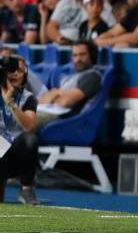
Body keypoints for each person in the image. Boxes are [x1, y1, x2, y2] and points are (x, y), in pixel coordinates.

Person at [0, 55, 39, 205]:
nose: (16, 74)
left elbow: (29, 126)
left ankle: (26, 189)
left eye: (20, 71)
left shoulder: (28, 98)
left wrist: (10, 103)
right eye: (12, 70)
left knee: (30, 139)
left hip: (14, 155)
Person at [36, 41, 101, 128]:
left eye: (82, 54)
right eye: (75, 55)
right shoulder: (68, 78)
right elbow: (42, 101)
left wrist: (56, 93)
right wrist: (58, 94)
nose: (78, 59)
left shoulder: (92, 76)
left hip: (64, 119)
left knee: (23, 123)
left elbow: (65, 103)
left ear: (92, 56)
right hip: (46, 112)